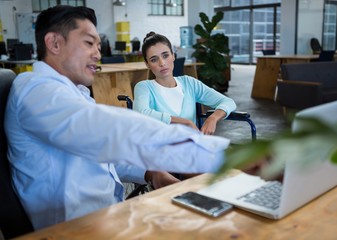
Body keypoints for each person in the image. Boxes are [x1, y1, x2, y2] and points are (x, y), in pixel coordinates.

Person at [4, 6, 230, 230]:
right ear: (54, 43)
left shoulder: (75, 94)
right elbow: (111, 131)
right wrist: (217, 155)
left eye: (98, 46)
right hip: (75, 229)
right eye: (89, 43)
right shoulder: (34, 90)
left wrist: (150, 173)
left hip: (109, 215)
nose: (98, 54)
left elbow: (100, 150)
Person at [134, 32, 236, 136]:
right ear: (147, 64)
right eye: (154, 59)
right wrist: (185, 122)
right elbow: (140, 113)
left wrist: (213, 118)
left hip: (190, 148)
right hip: (159, 150)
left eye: (165, 55)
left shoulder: (189, 83)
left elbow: (228, 102)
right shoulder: (144, 87)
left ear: (173, 56)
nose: (162, 63)